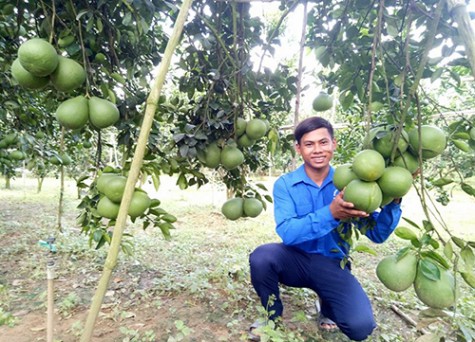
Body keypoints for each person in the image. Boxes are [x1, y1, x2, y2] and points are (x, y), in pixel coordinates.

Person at [248, 116, 403, 341]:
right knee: (261, 257)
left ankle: (327, 307)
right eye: (309, 144)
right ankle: (271, 316)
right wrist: (331, 214)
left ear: (334, 144)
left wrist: (394, 200)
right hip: (295, 259)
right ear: (298, 148)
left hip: (332, 263)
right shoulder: (285, 184)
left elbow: (377, 234)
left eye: (323, 142)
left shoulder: (351, 183)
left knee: (361, 327)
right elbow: (288, 233)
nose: (317, 150)